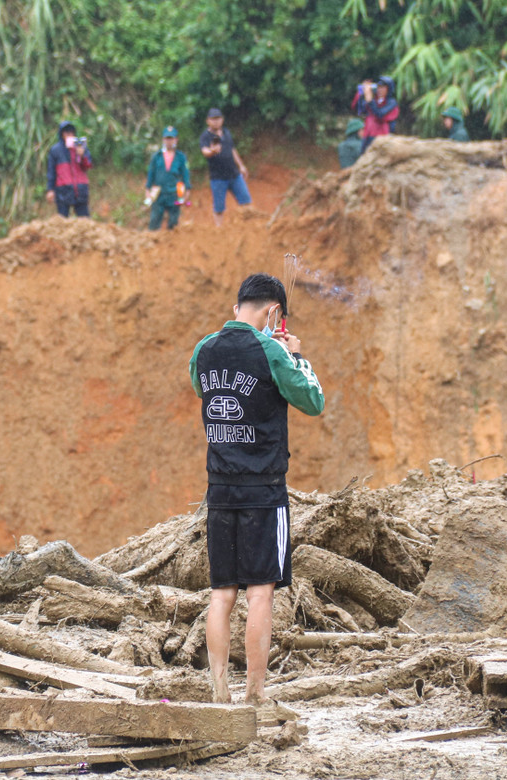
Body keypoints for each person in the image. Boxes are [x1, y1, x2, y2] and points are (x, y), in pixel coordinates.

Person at [188, 273, 325, 707]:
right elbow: (313, 401)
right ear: (273, 313)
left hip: (219, 489)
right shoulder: (272, 350)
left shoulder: (203, 350)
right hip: (264, 491)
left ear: (237, 308)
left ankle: (219, 693)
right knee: (260, 591)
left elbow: (200, 390)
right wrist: (296, 355)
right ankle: (255, 696)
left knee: (222, 592)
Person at [199, 109, 251, 227]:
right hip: (218, 177)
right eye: (213, 119)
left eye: (218, 118)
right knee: (219, 208)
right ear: (208, 121)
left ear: (222, 120)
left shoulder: (226, 133)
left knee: (246, 201)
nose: (216, 122)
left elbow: (232, 150)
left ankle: (248, 228)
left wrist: (241, 166)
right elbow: (204, 151)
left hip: (234, 174)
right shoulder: (205, 136)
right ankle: (219, 230)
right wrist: (212, 151)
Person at [145, 126, 191, 231]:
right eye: (167, 139)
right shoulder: (156, 156)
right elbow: (151, 174)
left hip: (174, 194)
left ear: (176, 140)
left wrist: (187, 191)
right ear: (163, 140)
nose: (169, 141)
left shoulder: (181, 157)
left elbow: (185, 174)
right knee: (154, 222)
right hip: (159, 194)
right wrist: (147, 190)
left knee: (173, 223)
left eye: (171, 138)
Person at [46, 120, 94, 218]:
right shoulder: (55, 150)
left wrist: (82, 155)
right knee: (62, 220)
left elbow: (88, 166)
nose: (69, 134)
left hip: (80, 188)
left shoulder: (81, 146)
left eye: (71, 132)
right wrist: (50, 189)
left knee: (84, 221)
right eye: (66, 132)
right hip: (63, 189)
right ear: (61, 134)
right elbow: (51, 172)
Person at [352, 75, 400, 153]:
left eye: (383, 87)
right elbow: (360, 110)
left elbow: (380, 114)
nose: (379, 90)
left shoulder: (391, 102)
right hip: (368, 134)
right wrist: (362, 94)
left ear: (389, 89)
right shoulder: (374, 100)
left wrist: (370, 101)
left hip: (382, 135)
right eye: (378, 87)